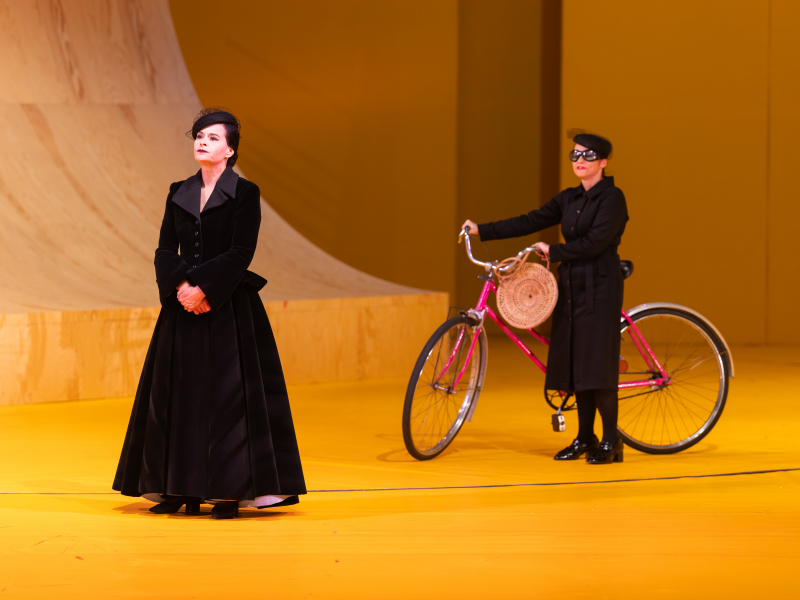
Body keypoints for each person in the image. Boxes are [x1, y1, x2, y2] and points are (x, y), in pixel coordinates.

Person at [113, 108, 306, 517]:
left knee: (228, 399)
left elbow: (242, 251)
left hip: (229, 307)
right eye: (199, 136)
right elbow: (165, 249)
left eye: (213, 137)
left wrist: (204, 288)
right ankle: (177, 488)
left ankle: (228, 492)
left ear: (230, 150)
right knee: (177, 395)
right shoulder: (178, 191)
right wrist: (182, 288)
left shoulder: (245, 193)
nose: (202, 141)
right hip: (183, 308)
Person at [461, 133, 628, 464]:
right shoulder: (569, 197)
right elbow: (530, 220)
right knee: (577, 364)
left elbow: (595, 243)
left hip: (600, 285)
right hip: (570, 284)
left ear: (603, 162)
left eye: (588, 155)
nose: (580, 160)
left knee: (597, 366)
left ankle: (612, 441)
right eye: (575, 154)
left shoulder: (612, 198)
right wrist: (482, 229)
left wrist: (554, 250)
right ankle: (585, 437)